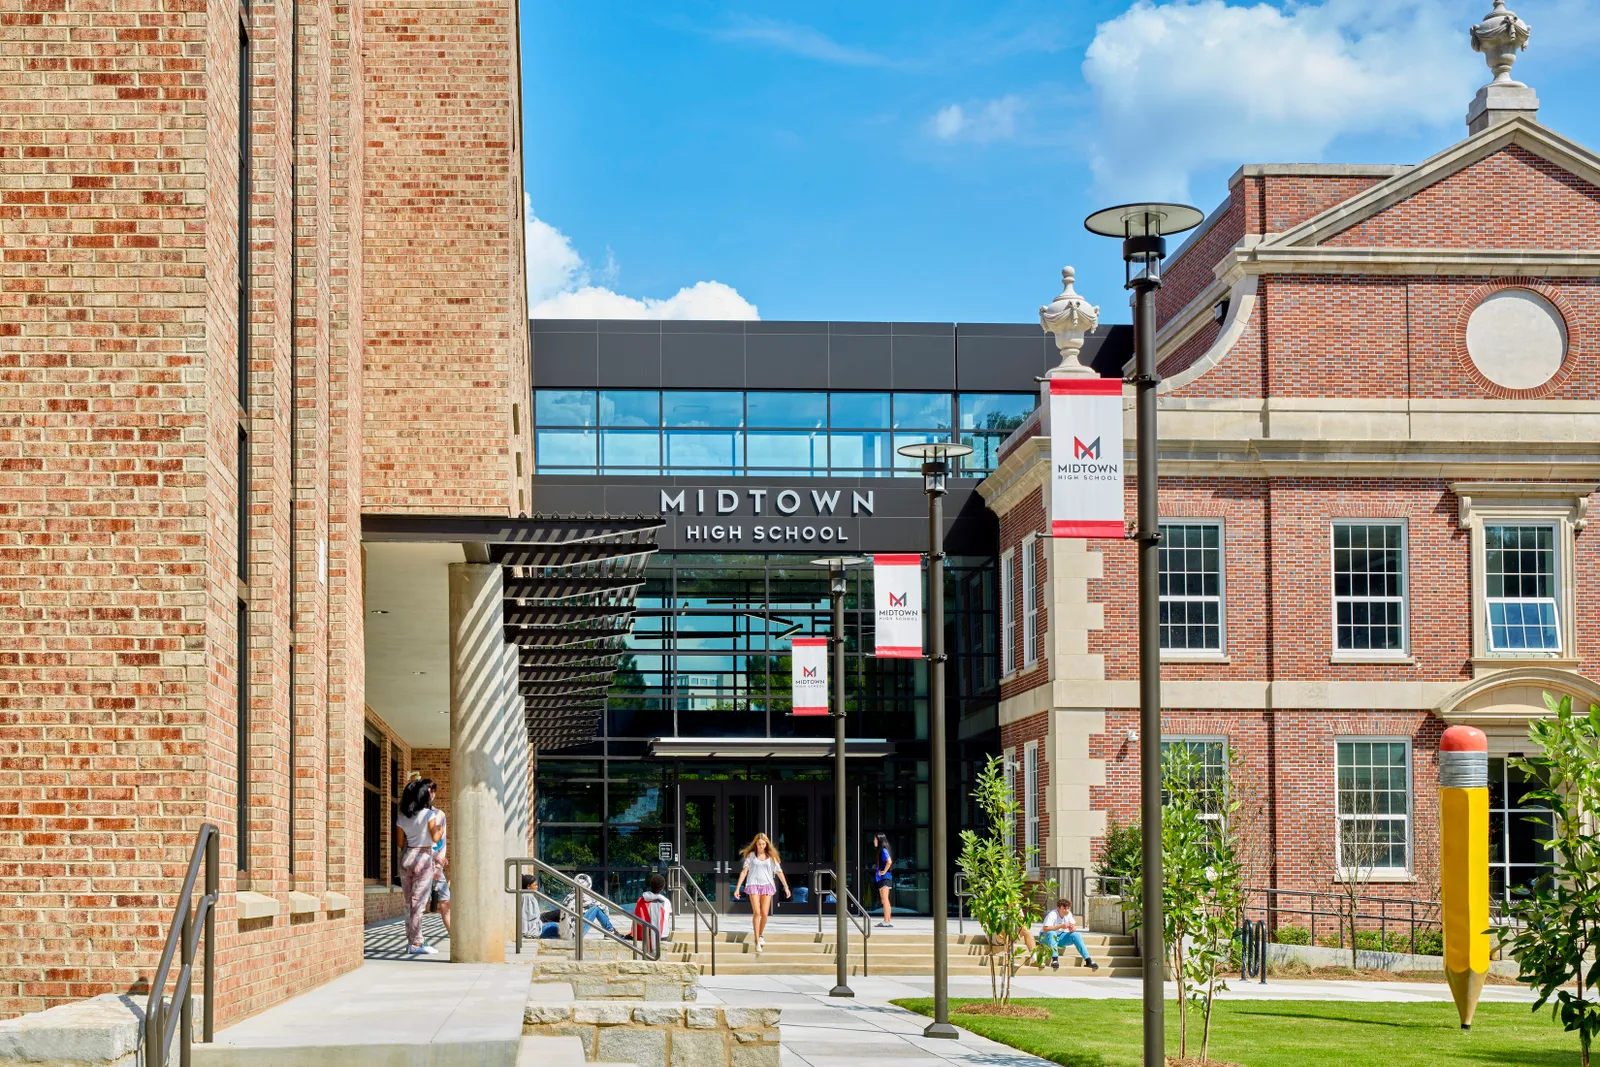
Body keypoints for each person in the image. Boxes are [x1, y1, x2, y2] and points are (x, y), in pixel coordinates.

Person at [395, 777, 445, 956]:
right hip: (423, 857)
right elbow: (436, 838)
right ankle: (416, 943)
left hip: (407, 857)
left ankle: (411, 941)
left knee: (409, 903)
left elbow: (401, 843)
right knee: (419, 904)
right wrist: (439, 828)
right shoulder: (429, 815)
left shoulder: (402, 817)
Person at [732, 832, 789, 954]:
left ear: (766, 844)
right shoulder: (751, 856)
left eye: (763, 844)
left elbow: (779, 872)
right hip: (753, 885)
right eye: (759, 844)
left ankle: (760, 934)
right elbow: (744, 872)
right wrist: (737, 888)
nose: (761, 846)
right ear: (755, 844)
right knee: (756, 912)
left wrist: (786, 887)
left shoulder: (771, 856)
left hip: (767, 885)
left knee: (764, 913)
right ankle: (757, 940)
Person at [1039, 897, 1098, 971]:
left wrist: (1072, 929)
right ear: (1059, 908)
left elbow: (1073, 927)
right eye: (1065, 908)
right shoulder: (1052, 914)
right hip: (1045, 937)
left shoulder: (1068, 914)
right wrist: (1061, 926)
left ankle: (1088, 960)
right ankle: (1054, 959)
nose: (1067, 910)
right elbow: (1045, 929)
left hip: (1060, 937)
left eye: (1068, 908)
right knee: (1052, 933)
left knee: (1076, 935)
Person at [561, 873, 618, 940]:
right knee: (595, 909)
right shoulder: (585, 896)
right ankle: (609, 930)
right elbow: (604, 908)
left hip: (564, 933)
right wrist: (607, 919)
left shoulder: (568, 896)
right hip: (574, 934)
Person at [633, 873, 674, 955]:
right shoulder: (665, 901)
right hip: (662, 935)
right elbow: (667, 919)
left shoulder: (641, 900)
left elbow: (636, 920)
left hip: (643, 935)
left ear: (650, 885)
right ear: (662, 888)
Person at [430, 808, 451, 934]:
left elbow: (442, 842)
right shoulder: (417, 814)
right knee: (420, 905)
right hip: (421, 866)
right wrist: (435, 856)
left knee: (445, 900)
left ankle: (453, 933)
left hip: (437, 868)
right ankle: (416, 940)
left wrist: (441, 858)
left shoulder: (440, 814)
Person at [521, 875, 562, 940]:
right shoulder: (528, 897)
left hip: (537, 924)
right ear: (528, 886)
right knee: (555, 928)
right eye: (535, 885)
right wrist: (541, 924)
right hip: (534, 930)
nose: (537, 887)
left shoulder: (526, 896)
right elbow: (530, 917)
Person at [871, 832, 894, 928]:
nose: (874, 841)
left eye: (875, 839)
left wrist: (884, 871)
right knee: (885, 900)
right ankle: (887, 920)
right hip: (883, 879)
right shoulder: (882, 850)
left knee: (885, 900)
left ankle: (887, 921)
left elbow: (889, 861)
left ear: (879, 840)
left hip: (884, 878)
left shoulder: (883, 850)